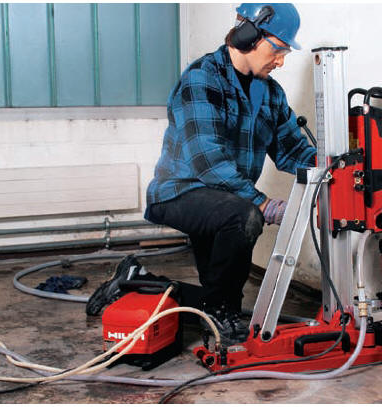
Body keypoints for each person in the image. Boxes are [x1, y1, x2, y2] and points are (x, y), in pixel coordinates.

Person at [144, 3, 316, 345]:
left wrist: (332, 168)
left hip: (224, 199)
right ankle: (218, 311)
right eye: (278, 49)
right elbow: (208, 162)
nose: (281, 61)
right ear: (249, 35)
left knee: (221, 301)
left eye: (285, 53)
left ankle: (138, 283)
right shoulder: (201, 79)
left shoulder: (270, 93)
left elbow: (291, 150)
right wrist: (264, 205)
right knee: (244, 217)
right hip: (179, 192)